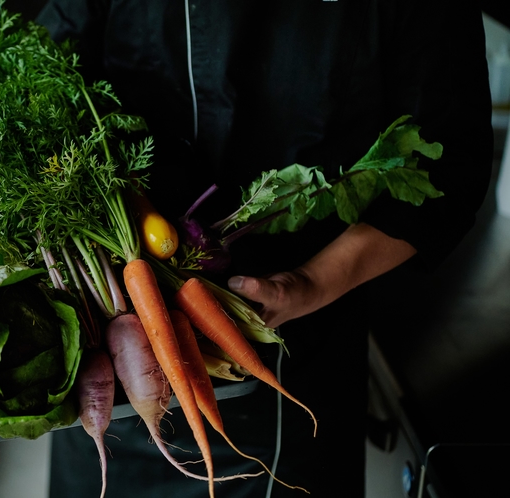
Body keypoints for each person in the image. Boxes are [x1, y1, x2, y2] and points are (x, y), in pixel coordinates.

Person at [36, 1, 494, 496]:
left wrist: (311, 283)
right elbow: (37, 77)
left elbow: (447, 168)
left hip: (295, 354)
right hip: (113, 354)